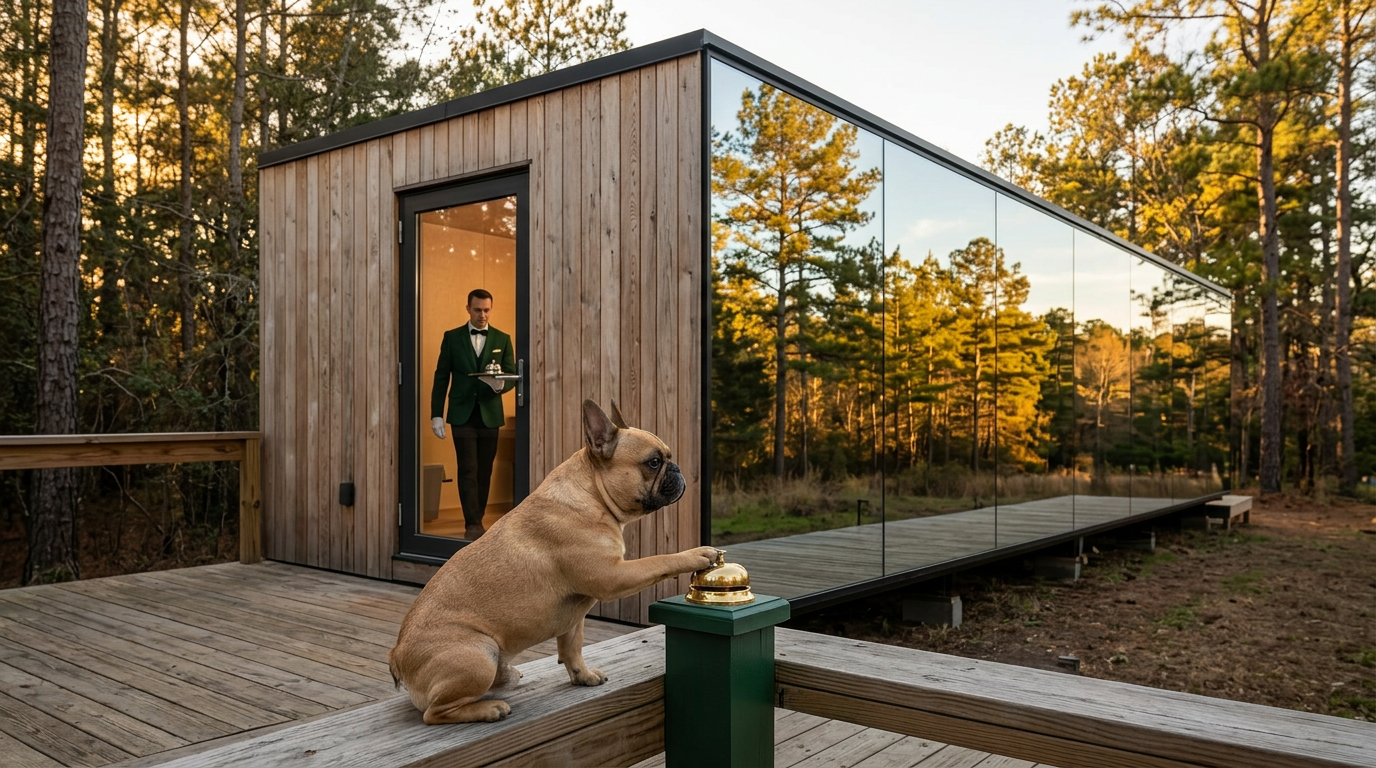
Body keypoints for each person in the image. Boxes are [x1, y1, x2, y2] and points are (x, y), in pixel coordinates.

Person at [430, 289, 516, 540]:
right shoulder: (452, 338)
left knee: (485, 469)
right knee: (468, 468)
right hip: (461, 413)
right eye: (478, 310)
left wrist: (501, 386)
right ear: (468, 308)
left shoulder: (502, 338)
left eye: (487, 310)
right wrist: (436, 414)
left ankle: (477, 516)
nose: (483, 315)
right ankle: (473, 523)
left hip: (490, 413)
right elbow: (441, 376)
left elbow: (510, 373)